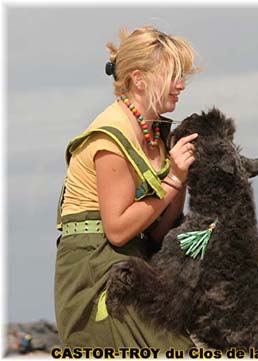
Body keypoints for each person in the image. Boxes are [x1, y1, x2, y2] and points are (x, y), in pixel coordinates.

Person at [54, 26, 200, 351]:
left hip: (133, 261)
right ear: (138, 79)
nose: (181, 85)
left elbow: (161, 232)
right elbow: (118, 230)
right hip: (95, 271)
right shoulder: (110, 136)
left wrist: (181, 177)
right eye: (173, 75)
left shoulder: (157, 133)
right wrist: (173, 179)